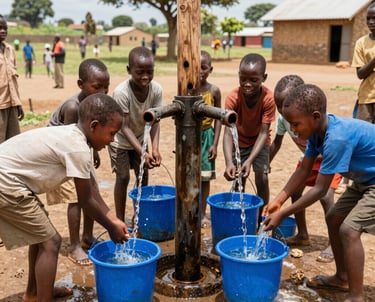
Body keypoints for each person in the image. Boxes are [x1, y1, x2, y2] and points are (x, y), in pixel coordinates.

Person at [0, 93, 130, 302]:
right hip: (6, 183)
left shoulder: (75, 137)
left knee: (40, 237)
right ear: (94, 125)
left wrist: (113, 219)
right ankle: (43, 298)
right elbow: (86, 200)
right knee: (51, 242)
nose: (112, 140)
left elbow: (92, 190)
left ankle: (34, 293)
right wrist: (110, 226)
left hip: (12, 180)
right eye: (112, 133)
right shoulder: (77, 148)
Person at [263, 83, 375, 302]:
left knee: (349, 230)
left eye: (296, 124)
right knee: (334, 217)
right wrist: (278, 200)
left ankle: (356, 296)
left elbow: (320, 189)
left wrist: (283, 214)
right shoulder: (317, 132)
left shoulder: (336, 139)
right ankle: (342, 277)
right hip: (365, 180)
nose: (293, 130)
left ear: (315, 116)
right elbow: (304, 171)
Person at [269, 75, 342, 263]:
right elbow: (276, 143)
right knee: (296, 191)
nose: (282, 111)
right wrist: (265, 163)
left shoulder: (317, 121)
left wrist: (282, 213)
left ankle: (335, 244)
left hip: (329, 159)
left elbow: (330, 145)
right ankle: (302, 234)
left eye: (284, 104)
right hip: (309, 159)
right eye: (279, 106)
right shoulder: (284, 118)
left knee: (325, 197)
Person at [46, 58, 110, 266]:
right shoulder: (74, 107)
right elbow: (70, 141)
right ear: (81, 84)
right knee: (76, 197)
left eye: (106, 87)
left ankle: (88, 236)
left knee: (90, 192)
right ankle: (74, 246)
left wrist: (94, 153)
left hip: (77, 149)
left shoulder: (95, 104)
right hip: (60, 154)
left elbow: (86, 136)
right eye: (97, 86)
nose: (102, 91)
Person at [108, 46, 163, 223]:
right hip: (120, 140)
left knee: (143, 175)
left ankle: (139, 215)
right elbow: (124, 127)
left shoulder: (156, 90)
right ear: (129, 70)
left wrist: (154, 148)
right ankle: (119, 219)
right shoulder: (121, 93)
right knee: (123, 177)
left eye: (149, 72)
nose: (145, 77)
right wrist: (143, 152)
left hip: (139, 138)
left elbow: (155, 121)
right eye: (140, 72)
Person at [223, 53, 275, 222]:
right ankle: (240, 215)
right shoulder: (233, 97)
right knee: (238, 179)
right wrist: (229, 162)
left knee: (262, 176)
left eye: (253, 80)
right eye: (243, 79)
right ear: (238, 76)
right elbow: (228, 132)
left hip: (260, 142)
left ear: (264, 77)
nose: (247, 84)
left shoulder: (268, 98)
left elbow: (264, 132)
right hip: (239, 141)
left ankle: (262, 214)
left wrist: (250, 160)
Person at [199, 50, 222, 228]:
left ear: (210, 69)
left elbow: (219, 118)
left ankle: (203, 213)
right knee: (189, 175)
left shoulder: (214, 91)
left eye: (203, 68)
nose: (199, 71)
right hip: (189, 136)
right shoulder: (187, 88)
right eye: (195, 67)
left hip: (207, 136)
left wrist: (214, 144)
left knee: (205, 178)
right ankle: (189, 210)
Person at [0, 14, 24, 144]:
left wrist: (18, 103)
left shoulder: (10, 50)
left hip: (11, 105)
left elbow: (13, 80)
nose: (3, 31)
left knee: (13, 143)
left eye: (5, 28)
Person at [351, 1, 375, 124]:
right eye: (368, 19)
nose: (371, 22)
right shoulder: (361, 43)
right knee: (364, 133)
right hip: (367, 98)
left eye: (374, 18)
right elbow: (360, 74)